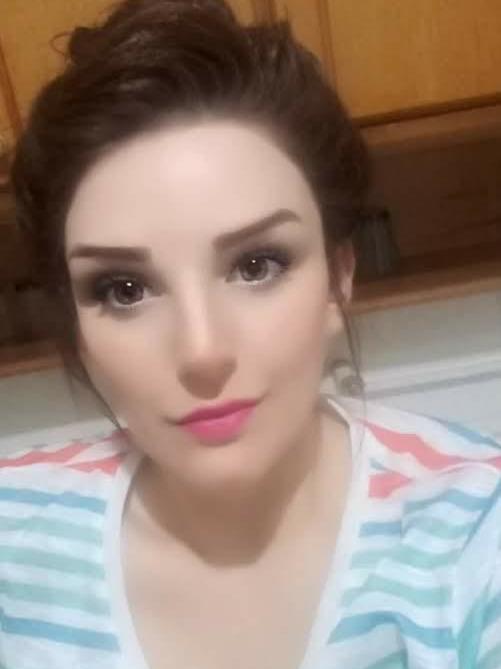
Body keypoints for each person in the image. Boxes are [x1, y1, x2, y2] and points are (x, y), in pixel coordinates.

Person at [3, 1, 501, 667]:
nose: (202, 351)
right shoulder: (14, 531)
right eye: (124, 289)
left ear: (338, 277)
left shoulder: (474, 529)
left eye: (256, 265)